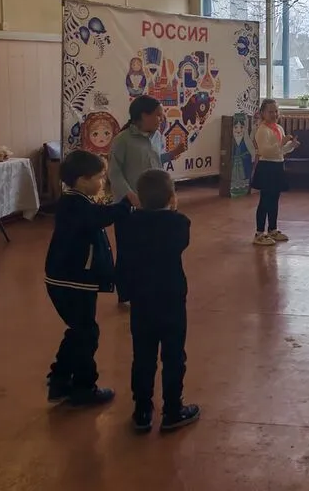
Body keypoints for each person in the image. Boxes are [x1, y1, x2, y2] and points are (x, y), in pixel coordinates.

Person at [44, 150, 131, 406]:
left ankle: (60, 380)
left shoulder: (78, 201)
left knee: (79, 331)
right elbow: (100, 217)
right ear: (82, 180)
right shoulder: (73, 204)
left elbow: (97, 214)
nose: (102, 182)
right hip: (71, 282)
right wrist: (126, 204)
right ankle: (84, 387)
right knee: (86, 333)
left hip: (72, 280)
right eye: (99, 177)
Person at [126, 169, 200, 432]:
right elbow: (179, 243)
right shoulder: (179, 223)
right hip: (171, 297)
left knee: (142, 355)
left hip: (141, 299)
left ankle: (142, 411)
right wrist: (172, 210)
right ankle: (172, 410)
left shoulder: (131, 223)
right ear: (172, 197)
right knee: (174, 355)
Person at [109, 95, 186, 304]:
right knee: (127, 250)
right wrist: (130, 195)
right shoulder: (122, 140)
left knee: (150, 249)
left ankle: (145, 288)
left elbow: (156, 160)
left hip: (154, 204)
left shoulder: (156, 136)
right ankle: (125, 294)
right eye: (158, 115)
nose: (161, 119)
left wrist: (172, 154)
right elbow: (114, 173)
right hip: (129, 205)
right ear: (143, 115)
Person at [251, 99, 300, 246]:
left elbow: (280, 151)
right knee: (265, 200)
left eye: (276, 111)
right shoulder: (262, 130)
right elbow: (265, 151)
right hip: (266, 167)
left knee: (274, 199)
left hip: (277, 165)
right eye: (270, 112)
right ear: (263, 113)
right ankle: (259, 233)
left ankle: (272, 229)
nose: (274, 114)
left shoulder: (278, 128)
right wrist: (281, 143)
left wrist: (291, 146)